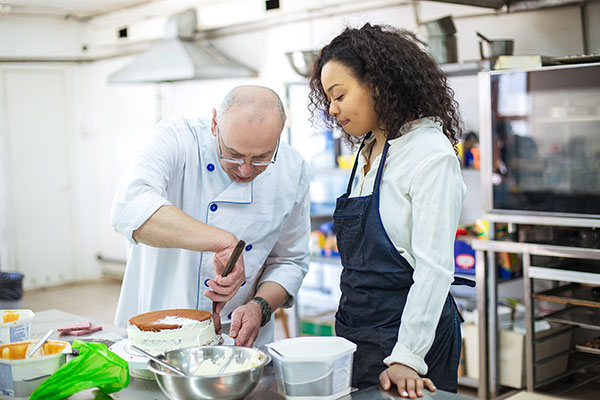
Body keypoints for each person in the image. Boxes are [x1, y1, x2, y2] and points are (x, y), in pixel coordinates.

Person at [308, 24, 474, 397]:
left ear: (379, 85)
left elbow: (434, 269)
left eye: (339, 95)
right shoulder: (367, 150)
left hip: (409, 341)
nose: (332, 110)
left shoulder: (429, 154)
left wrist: (408, 357)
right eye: (327, 99)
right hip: (357, 333)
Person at [111, 85, 310, 347]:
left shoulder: (292, 169)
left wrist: (259, 307)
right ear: (215, 123)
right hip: (160, 328)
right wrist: (223, 242)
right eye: (234, 154)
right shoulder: (177, 139)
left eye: (262, 158)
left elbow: (289, 261)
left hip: (239, 337)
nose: (245, 169)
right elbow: (129, 207)